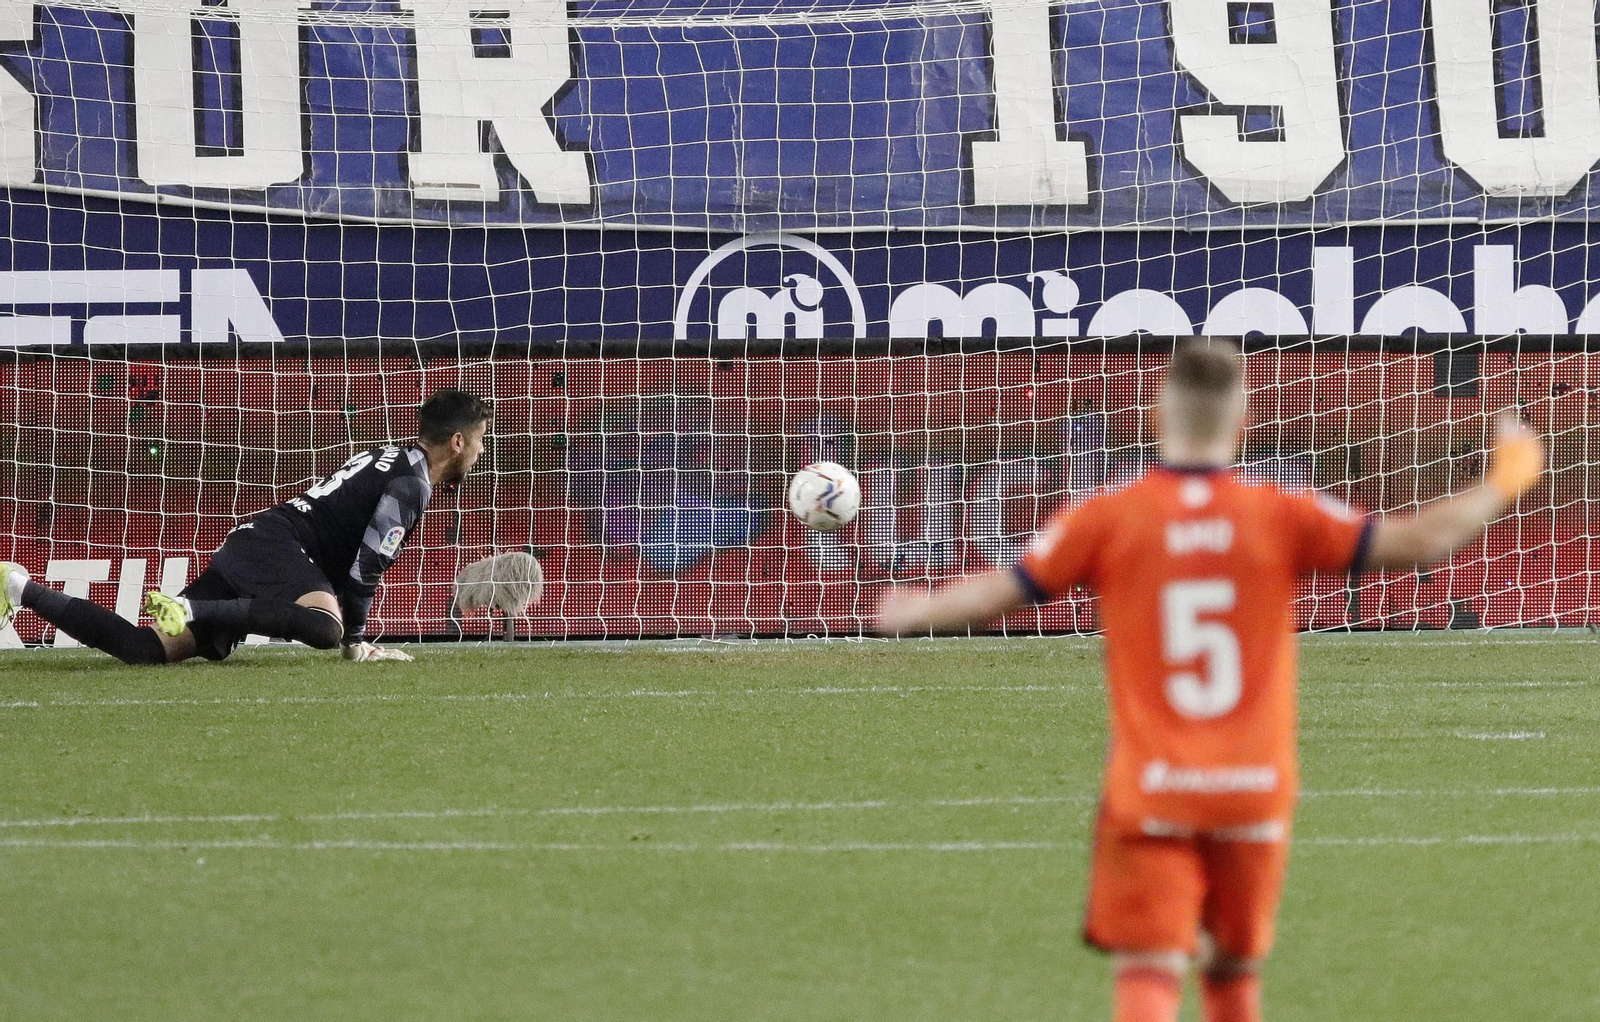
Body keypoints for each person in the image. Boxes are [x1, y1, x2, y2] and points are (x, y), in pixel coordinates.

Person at [877, 339, 1545, 1022]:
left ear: (1155, 415)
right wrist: (1510, 476)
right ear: (1245, 419)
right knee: (1231, 974)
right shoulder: (1281, 512)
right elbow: (1424, 540)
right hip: (1252, 791)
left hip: (1153, 788)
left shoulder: (1108, 515)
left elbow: (1003, 591)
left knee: (1149, 971)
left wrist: (914, 609)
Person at [0, 388, 492, 665]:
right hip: (279, 546)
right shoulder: (413, 484)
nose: (481, 451)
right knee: (326, 628)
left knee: (145, 650)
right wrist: (355, 639)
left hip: (262, 543)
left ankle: (20, 588)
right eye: (480, 441)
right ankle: (191, 605)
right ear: (456, 442)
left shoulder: (394, 458)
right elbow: (366, 569)